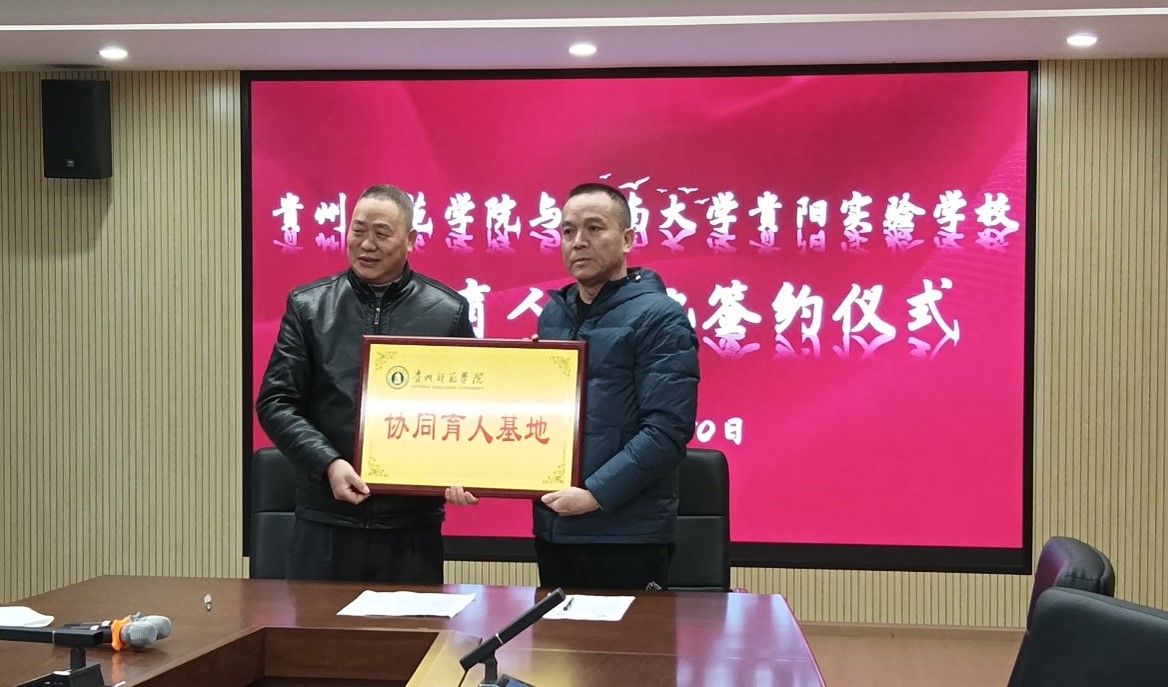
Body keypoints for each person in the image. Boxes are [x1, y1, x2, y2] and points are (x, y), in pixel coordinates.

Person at [448, 182, 699, 590]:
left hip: (625, 535)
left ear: (627, 239)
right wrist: (475, 470)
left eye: (594, 228)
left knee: (624, 637)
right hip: (556, 527)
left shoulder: (661, 317)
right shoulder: (554, 317)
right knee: (555, 633)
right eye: (568, 231)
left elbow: (667, 431)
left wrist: (595, 495)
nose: (579, 241)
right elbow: (535, 423)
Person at [257, 183, 475, 584]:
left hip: (410, 528)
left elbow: (471, 407)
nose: (366, 244)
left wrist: (466, 468)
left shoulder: (447, 312)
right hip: (325, 519)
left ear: (410, 239)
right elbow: (276, 401)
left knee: (410, 628)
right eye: (358, 230)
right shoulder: (309, 306)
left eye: (382, 233)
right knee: (317, 627)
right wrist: (329, 463)